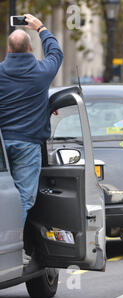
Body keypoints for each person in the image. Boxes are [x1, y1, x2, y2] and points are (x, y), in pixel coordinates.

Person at [0, 14, 64, 261]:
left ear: (8, 49)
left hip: (2, 145)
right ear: (30, 48)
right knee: (24, 199)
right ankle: (14, 250)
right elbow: (55, 53)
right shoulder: (41, 72)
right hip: (28, 145)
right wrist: (41, 27)